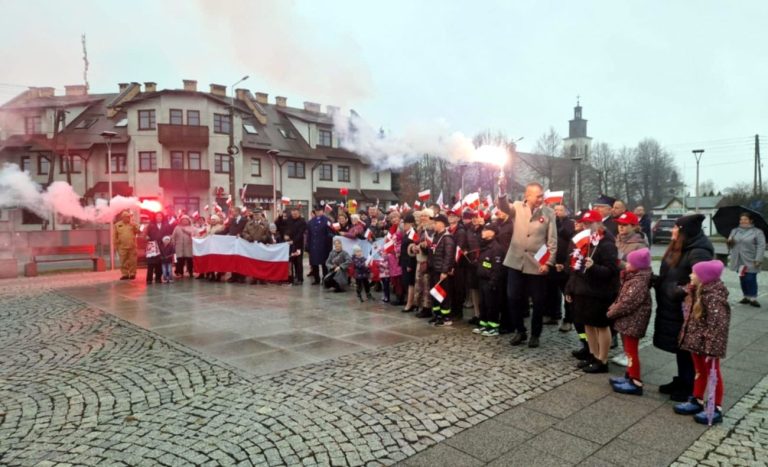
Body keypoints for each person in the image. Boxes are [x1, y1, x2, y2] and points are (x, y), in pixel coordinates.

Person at [654, 213, 714, 402]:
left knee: (687, 347)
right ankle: (682, 379)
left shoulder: (699, 251)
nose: (672, 230)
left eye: (675, 228)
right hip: (673, 307)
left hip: (685, 308)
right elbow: (671, 273)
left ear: (684, 232)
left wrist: (675, 291)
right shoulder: (683, 246)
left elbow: (701, 281)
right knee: (680, 345)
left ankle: (689, 386)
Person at [497, 181, 557, 348]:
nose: (541, 198)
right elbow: (503, 207)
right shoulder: (517, 207)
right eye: (538, 196)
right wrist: (502, 190)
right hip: (516, 261)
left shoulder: (549, 213)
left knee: (538, 301)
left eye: (542, 195)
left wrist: (549, 262)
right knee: (513, 297)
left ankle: (535, 334)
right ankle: (520, 330)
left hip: (537, 264)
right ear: (527, 195)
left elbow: (552, 241)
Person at [674, 259, 730, 425]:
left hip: (708, 346)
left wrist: (711, 348)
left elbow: (718, 325)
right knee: (699, 371)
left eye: (694, 273)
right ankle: (697, 399)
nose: (691, 275)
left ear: (704, 277)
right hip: (697, 342)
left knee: (713, 375)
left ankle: (715, 407)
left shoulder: (713, 298)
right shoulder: (697, 291)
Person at [565, 210, 620, 373]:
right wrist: (571, 288)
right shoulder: (587, 241)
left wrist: (594, 267)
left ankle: (602, 360)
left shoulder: (607, 242)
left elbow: (612, 271)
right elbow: (576, 267)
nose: (586, 226)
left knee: (601, 326)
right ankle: (593, 354)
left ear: (598, 223)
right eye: (585, 223)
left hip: (600, 292)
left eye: (589, 223)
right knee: (588, 324)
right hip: (584, 290)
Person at [607, 248, 653, 395]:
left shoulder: (638, 282)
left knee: (631, 352)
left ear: (637, 265)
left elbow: (627, 303)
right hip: (628, 322)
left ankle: (635, 381)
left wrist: (612, 311)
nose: (626, 264)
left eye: (629, 262)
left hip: (633, 322)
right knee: (628, 351)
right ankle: (629, 375)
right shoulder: (633, 278)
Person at [473, 223, 506, 336]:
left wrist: (493, 282)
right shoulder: (485, 245)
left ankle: (493, 326)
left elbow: (497, 268)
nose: (483, 231)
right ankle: (484, 324)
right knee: (483, 304)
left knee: (492, 305)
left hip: (490, 281)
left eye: (486, 230)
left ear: (492, 233)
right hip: (482, 280)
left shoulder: (496, 248)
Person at [423, 213, 456, 326]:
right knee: (435, 294)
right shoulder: (436, 236)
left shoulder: (447, 237)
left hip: (441, 271)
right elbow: (432, 252)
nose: (434, 225)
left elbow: (449, 256)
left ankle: (446, 317)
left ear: (442, 224)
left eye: (435, 223)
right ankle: (437, 315)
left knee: (443, 295)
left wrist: (444, 271)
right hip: (433, 269)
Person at [727, 212, 766, 307]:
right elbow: (731, 245)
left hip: (751, 259)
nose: (743, 221)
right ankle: (746, 296)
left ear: (751, 220)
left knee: (750, 278)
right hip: (739, 259)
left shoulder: (757, 232)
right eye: (741, 219)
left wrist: (758, 259)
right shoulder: (734, 231)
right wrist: (729, 242)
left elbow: (761, 246)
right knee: (743, 278)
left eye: (745, 219)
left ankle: (753, 298)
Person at [546, 204, 574, 328]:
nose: (557, 212)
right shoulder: (551, 222)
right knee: (551, 290)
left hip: (564, 263)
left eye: (560, 210)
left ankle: (568, 319)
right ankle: (554, 315)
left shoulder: (570, 223)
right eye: (555, 210)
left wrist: (559, 226)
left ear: (567, 212)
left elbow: (570, 236)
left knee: (566, 292)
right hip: (552, 260)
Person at [414, 209, 434, 318]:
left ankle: (427, 308)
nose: (423, 218)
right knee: (420, 285)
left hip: (426, 261)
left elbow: (430, 245)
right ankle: (421, 306)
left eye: (426, 216)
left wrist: (422, 246)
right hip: (419, 259)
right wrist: (414, 247)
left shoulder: (430, 230)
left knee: (426, 285)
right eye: (422, 216)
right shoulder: (420, 229)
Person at [307, 205, 334, 285]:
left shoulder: (327, 221)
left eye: (319, 211)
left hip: (323, 245)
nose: (318, 212)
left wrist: (328, 244)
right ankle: (316, 279)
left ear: (322, 211)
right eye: (316, 211)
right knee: (314, 263)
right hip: (313, 245)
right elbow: (309, 234)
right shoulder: (311, 221)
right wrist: (308, 245)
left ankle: (325, 278)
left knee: (324, 264)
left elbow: (330, 233)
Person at [399, 213, 419, 312]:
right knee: (407, 283)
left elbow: (413, 251)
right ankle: (411, 302)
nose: (404, 225)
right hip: (404, 261)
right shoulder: (407, 233)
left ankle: (410, 303)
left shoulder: (413, 234)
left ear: (410, 224)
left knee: (411, 283)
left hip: (409, 262)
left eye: (405, 223)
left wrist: (410, 264)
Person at [145, 212, 172, 284]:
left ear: (162, 217)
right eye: (157, 216)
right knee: (150, 263)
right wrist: (146, 237)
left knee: (159, 262)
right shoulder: (150, 225)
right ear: (155, 217)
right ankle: (149, 279)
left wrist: (167, 240)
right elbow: (146, 234)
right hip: (152, 245)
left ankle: (158, 278)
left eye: (160, 216)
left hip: (162, 246)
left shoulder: (166, 225)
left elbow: (169, 234)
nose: (159, 218)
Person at [285, 207, 307, 285]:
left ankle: (300, 278)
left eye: (295, 214)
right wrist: (286, 235)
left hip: (298, 245)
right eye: (293, 214)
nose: (294, 215)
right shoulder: (289, 219)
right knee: (292, 261)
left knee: (298, 262)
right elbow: (286, 228)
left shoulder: (302, 221)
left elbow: (300, 234)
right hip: (290, 245)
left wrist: (293, 241)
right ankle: (292, 277)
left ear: (299, 213)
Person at [226, 207, 249, 283]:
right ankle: (234, 276)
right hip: (233, 242)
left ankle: (242, 276)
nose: (233, 213)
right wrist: (216, 234)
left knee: (241, 259)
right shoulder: (232, 220)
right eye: (232, 211)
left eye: (234, 211)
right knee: (233, 259)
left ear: (238, 212)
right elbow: (227, 229)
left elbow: (247, 230)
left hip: (241, 242)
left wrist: (241, 234)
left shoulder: (245, 220)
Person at [114, 210, 139, 280]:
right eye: (126, 217)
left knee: (132, 261)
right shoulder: (117, 225)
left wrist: (135, 226)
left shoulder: (132, 224)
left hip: (132, 246)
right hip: (122, 247)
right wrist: (115, 245)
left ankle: (132, 274)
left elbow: (138, 231)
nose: (127, 218)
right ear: (123, 217)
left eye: (128, 217)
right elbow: (114, 236)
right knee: (123, 261)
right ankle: (125, 274)